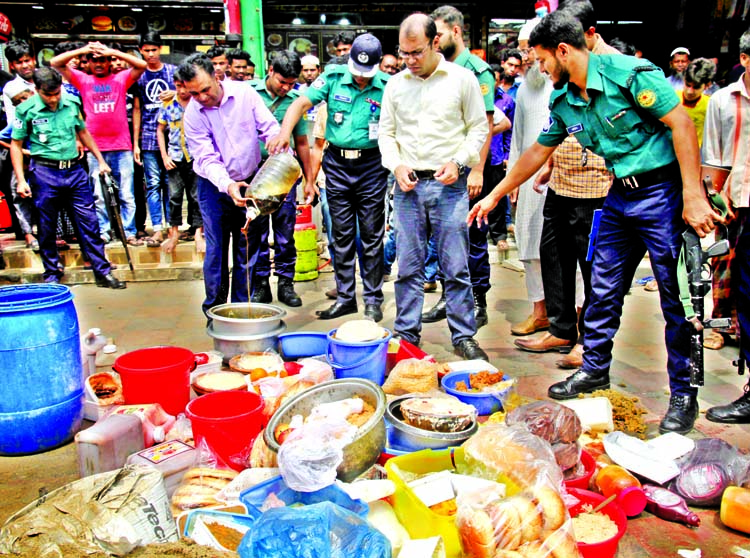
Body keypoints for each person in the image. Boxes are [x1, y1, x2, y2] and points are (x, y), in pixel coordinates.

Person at [468, 10, 721, 434]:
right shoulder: (565, 100)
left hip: (663, 195)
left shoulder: (631, 74)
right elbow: (537, 151)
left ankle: (682, 395)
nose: (541, 70)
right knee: (602, 288)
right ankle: (594, 368)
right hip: (619, 195)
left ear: (564, 51)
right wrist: (496, 193)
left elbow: (680, 124)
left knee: (677, 301)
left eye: (543, 60)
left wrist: (693, 195)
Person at [379, 13, 489, 360]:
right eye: (404, 53)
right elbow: (386, 133)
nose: (409, 61)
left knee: (455, 266)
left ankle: (463, 335)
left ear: (434, 43)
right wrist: (396, 165)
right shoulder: (396, 85)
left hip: (449, 189)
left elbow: (478, 128)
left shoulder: (462, 79)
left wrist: (459, 163)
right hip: (408, 188)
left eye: (416, 52)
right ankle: (407, 334)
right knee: (408, 267)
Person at [268, 34, 389, 323]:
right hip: (337, 165)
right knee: (341, 235)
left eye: (366, 74)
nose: (361, 79)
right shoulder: (333, 77)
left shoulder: (388, 86)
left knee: (372, 237)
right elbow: (299, 105)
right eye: (357, 74)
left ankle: (373, 299)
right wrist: (284, 133)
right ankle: (346, 298)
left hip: (372, 166)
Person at [424, 5, 507, 330]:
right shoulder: (436, 67)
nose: (434, 40)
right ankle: (450, 296)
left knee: (473, 235)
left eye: (439, 34)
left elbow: (485, 124)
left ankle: (477, 300)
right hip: (442, 171)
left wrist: (476, 170)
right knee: (445, 237)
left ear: (456, 32)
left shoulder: (477, 70)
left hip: (470, 169)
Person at [181, 54, 280, 318]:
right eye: (194, 93)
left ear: (217, 76)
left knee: (247, 247)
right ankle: (214, 310)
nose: (202, 97)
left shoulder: (245, 95)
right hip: (213, 187)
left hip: (251, 182)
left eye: (205, 89)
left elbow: (268, 127)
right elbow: (206, 158)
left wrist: (276, 143)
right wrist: (228, 185)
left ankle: (239, 310)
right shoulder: (192, 114)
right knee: (216, 250)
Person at [10, 68, 125, 289]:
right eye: (48, 94)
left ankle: (102, 272)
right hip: (44, 171)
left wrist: (101, 160)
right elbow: (16, 145)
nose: (53, 98)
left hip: (74, 171)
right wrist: (21, 179)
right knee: (46, 225)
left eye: (56, 93)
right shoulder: (26, 110)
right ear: (37, 90)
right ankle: (52, 272)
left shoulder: (71, 102)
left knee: (89, 222)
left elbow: (83, 132)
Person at [51, 41, 147, 247]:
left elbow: (141, 65)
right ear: (89, 63)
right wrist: (84, 50)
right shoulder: (83, 80)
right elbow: (56, 63)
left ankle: (129, 232)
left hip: (122, 146)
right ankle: (104, 231)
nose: (99, 64)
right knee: (99, 195)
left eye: (103, 60)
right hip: (95, 149)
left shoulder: (120, 79)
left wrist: (112, 51)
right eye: (94, 60)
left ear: (109, 62)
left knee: (127, 194)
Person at [703, 28, 750, 423]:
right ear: (746, 60)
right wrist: (712, 200)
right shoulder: (724, 101)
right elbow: (714, 158)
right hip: (740, 206)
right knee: (742, 291)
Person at [249, 50, 311, 308]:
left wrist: (309, 179)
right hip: (254, 173)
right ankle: (261, 284)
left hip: (285, 175)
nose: (286, 88)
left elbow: (302, 143)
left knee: (285, 232)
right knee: (257, 232)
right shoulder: (250, 95)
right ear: (270, 70)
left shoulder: (295, 101)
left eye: (291, 83)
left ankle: (286, 282)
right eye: (282, 82)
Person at [157, 68, 204, 255]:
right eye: (178, 87)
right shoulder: (168, 104)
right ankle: (174, 232)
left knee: (195, 197)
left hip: (195, 157)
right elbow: (160, 130)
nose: (182, 91)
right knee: (174, 197)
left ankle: (198, 233)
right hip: (175, 157)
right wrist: (164, 156)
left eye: (184, 86)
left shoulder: (197, 102)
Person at [134, 31, 175, 247]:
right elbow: (138, 109)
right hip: (148, 137)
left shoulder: (172, 72)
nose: (151, 54)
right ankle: (157, 228)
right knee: (152, 184)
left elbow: (185, 98)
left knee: (170, 184)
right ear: (141, 51)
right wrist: (136, 143)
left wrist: (174, 95)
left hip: (172, 136)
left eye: (154, 49)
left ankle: (171, 226)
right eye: (146, 50)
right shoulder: (139, 76)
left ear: (161, 49)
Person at [3, 40, 38, 251]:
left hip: (47, 144)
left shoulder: (44, 80)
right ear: (12, 66)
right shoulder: (12, 88)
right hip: (21, 142)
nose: (25, 65)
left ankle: (49, 233)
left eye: (28, 60)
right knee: (20, 190)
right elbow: (14, 123)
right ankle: (28, 234)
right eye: (20, 62)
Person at [681, 58, 716, 147]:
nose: (690, 91)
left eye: (696, 87)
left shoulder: (710, 105)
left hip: (693, 153)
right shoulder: (671, 99)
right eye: (687, 85)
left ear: (707, 85)